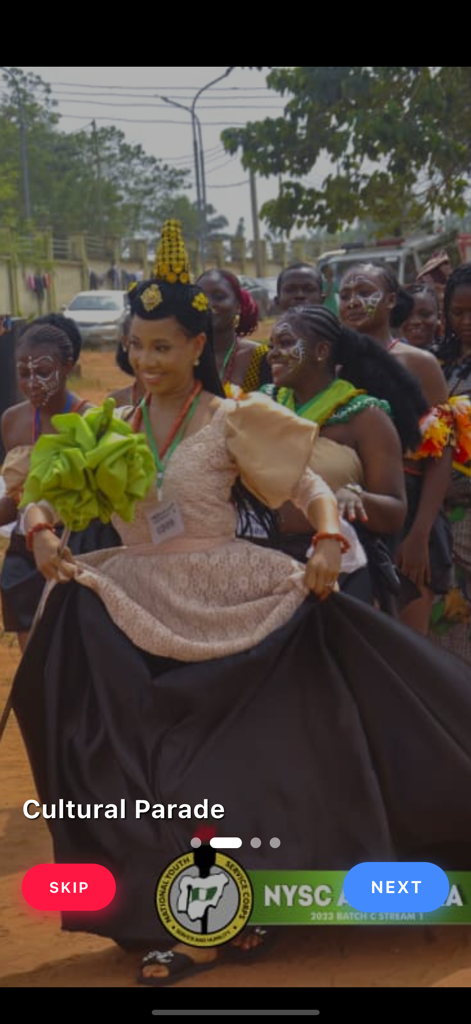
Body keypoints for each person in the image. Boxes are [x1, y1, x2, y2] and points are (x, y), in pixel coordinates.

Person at [11, 223, 471, 990]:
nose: (148, 360)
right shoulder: (105, 423)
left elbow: (309, 487)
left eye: (163, 346)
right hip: (132, 607)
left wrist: (326, 539)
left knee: (218, 772)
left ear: (197, 346)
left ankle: (212, 923)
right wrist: (42, 532)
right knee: (138, 769)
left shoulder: (232, 417)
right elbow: (41, 494)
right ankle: (195, 910)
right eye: (138, 345)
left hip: (237, 604)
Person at [260, 305, 424, 608]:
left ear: (321, 350)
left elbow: (395, 511)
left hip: (338, 574)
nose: (271, 354)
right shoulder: (261, 405)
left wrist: (355, 496)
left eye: (284, 343)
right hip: (263, 568)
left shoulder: (365, 416)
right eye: (271, 346)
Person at [339, 263, 453, 635]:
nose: (354, 301)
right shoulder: (332, 366)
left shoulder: (419, 364)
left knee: (412, 647)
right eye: (345, 295)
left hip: (411, 513)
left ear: (391, 301)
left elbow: (440, 452)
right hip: (354, 515)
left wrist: (419, 533)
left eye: (364, 292)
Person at [0, 315, 119, 651]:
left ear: (68, 367)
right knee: (32, 668)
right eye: (24, 373)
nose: (32, 382)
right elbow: (17, 500)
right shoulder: (12, 421)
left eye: (43, 372)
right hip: (24, 556)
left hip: (78, 551)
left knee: (74, 665)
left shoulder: (92, 421)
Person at [431, 263, 471, 661]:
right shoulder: (437, 363)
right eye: (457, 313)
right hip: (441, 509)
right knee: (446, 615)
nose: (465, 322)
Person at [196, 269, 271, 391]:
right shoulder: (184, 356)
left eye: (219, 297)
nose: (208, 304)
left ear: (238, 306)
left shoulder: (261, 357)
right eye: (201, 298)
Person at [108, 313, 145, 411]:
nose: (147, 359)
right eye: (137, 344)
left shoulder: (188, 406)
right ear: (125, 343)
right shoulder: (115, 403)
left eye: (161, 348)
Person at [401, 284, 441, 351]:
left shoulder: (450, 356)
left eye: (425, 314)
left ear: (439, 317)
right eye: (407, 315)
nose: (415, 321)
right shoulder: (388, 356)